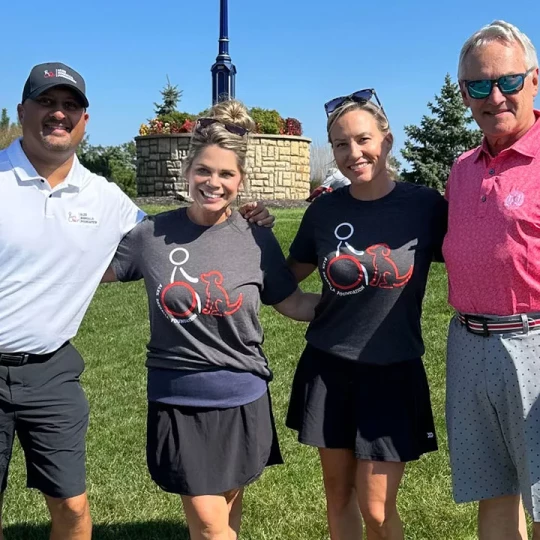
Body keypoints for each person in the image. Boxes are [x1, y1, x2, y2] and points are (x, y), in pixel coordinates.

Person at [0, 63, 273, 540]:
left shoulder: (104, 197)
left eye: (70, 106)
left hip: (50, 370)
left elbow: (174, 239)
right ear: (22, 111)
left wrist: (240, 216)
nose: (58, 114)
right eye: (46, 102)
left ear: (86, 120)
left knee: (71, 505)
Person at [102, 100, 320, 540]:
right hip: (179, 398)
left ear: (240, 181)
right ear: (188, 172)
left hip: (243, 397)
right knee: (210, 526)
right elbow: (89, 272)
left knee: (225, 516)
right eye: (204, 171)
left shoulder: (256, 236)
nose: (213, 183)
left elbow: (292, 303)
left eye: (225, 174)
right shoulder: (150, 236)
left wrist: (362, 302)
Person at [285, 89, 447, 540]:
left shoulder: (425, 206)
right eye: (340, 144)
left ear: (387, 140)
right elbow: (285, 278)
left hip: (393, 370)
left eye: (363, 139)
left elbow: (473, 255)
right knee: (338, 498)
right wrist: (247, 232)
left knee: (376, 508)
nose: (353, 153)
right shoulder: (324, 211)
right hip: (328, 367)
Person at [443, 20, 540, 540]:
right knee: (494, 493)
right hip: (469, 345)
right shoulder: (462, 169)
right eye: (478, 86)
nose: (494, 96)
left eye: (507, 81)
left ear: (535, 79)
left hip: (537, 342)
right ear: (464, 93)